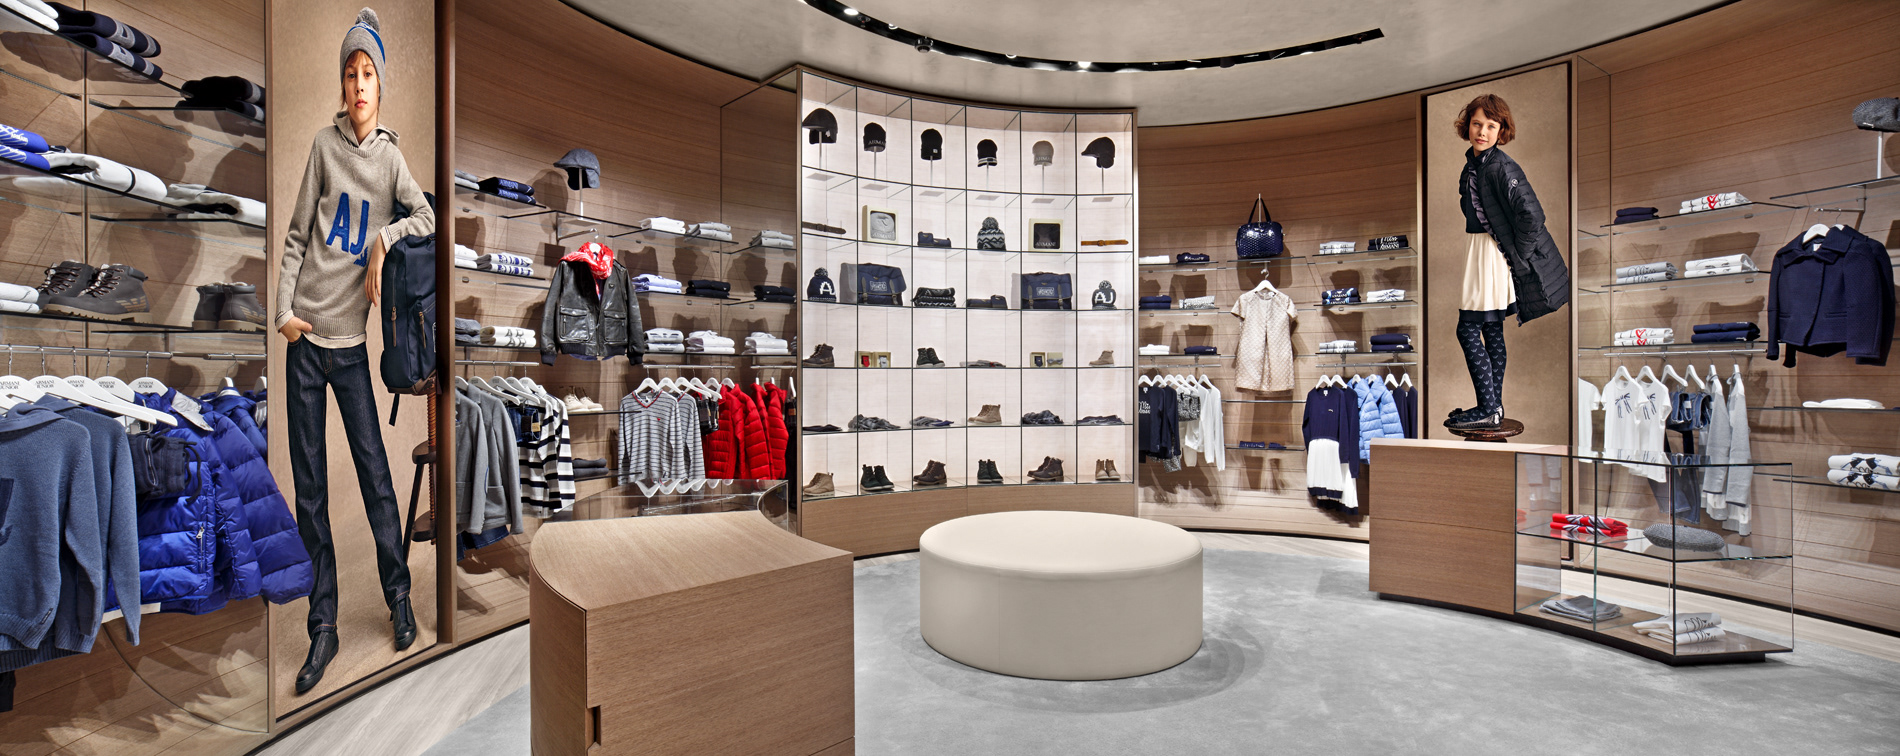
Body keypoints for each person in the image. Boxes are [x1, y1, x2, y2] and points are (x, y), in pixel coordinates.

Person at [276, 7, 435, 694]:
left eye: (368, 72)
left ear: (380, 84)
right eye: (350, 72)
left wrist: (384, 240)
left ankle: (398, 597)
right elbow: (294, 237)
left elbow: (425, 216)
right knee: (310, 491)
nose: (359, 83)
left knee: (375, 478)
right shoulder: (322, 145)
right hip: (305, 344)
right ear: (342, 85)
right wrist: (283, 314)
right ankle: (324, 625)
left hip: (350, 350)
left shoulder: (390, 159)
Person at [1446, 94, 1570, 431]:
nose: (1482, 132)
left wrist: (1519, 254)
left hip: (1490, 255)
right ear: (1467, 126)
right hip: (1479, 251)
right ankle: (1493, 408)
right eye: (1477, 124)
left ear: (1501, 131)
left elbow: (1533, 216)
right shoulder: (1473, 165)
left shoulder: (1501, 166)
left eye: (1491, 126)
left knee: (1467, 328)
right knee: (1490, 329)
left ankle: (1488, 407)